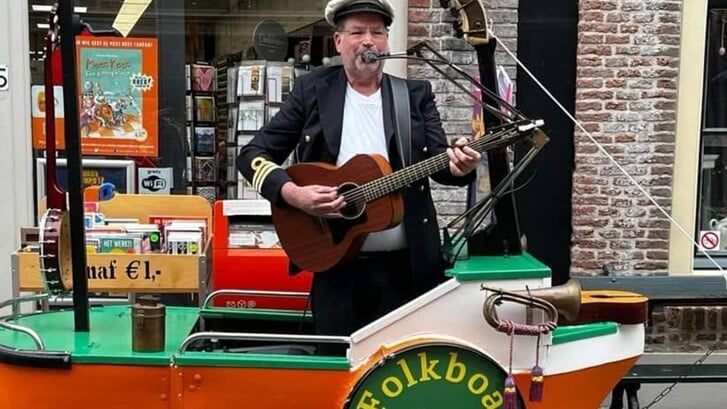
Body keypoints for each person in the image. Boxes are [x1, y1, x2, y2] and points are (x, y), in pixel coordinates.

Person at [236, 0, 481, 339]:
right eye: (357, 32)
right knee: (337, 368)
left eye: (377, 32)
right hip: (335, 263)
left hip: (407, 268)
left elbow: (441, 163)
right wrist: (294, 194)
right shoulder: (313, 91)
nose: (369, 40)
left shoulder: (413, 95)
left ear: (387, 42)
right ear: (339, 42)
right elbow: (252, 154)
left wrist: (460, 165)